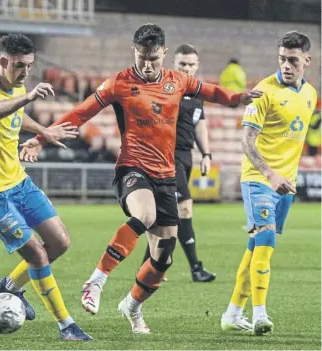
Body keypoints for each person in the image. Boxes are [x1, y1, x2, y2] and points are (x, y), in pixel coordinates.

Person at [20, 24, 262, 334]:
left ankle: (132, 306)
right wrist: (41, 138)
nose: (147, 65)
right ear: (135, 51)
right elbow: (81, 112)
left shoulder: (178, 80)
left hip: (166, 176)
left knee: (163, 258)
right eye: (141, 57)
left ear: (163, 53)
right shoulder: (119, 83)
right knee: (144, 215)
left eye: (153, 59)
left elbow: (212, 91)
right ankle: (96, 281)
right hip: (132, 168)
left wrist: (239, 97)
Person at [0, 33, 92, 341]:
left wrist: (43, 131)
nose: (25, 73)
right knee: (37, 255)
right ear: (4, 61)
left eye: (29, 66)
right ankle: (66, 326)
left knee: (60, 243)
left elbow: (16, 116)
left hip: (18, 182)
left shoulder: (17, 85)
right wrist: (30, 96)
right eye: (20, 66)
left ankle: (10, 286)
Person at [220, 31, 317, 335]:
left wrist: (284, 176)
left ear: (307, 60)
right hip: (259, 180)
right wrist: (270, 174)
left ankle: (233, 313)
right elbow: (247, 143)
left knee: (254, 248)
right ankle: (260, 314)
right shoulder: (263, 91)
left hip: (284, 185)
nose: (286, 65)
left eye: (293, 60)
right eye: (281, 59)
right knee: (265, 239)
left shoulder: (311, 95)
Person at [141, 44, 215, 282]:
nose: (187, 68)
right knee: (183, 208)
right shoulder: (162, 88)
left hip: (185, 156)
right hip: (165, 156)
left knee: (164, 214)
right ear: (174, 63)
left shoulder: (197, 92)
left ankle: (149, 265)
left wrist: (206, 154)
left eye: (191, 64)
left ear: (197, 65)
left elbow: (199, 124)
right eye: (182, 64)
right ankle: (195, 268)